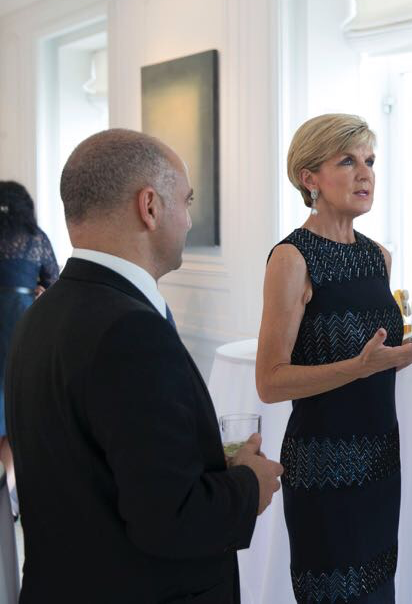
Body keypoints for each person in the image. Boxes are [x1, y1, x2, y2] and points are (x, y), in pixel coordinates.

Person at [4, 129, 282, 602]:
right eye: (186, 201)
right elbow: (169, 520)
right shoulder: (131, 331)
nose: (191, 220)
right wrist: (247, 485)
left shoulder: (41, 314)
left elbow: (96, 467)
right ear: (150, 207)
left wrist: (213, 466)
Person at [256, 113, 412, 603]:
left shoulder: (377, 257)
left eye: (370, 160)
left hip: (380, 461)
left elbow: (382, 358)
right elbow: (270, 381)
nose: (365, 174)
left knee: (379, 591)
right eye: (348, 160)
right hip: (323, 467)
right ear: (309, 178)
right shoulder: (291, 258)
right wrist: (356, 369)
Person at [0, 181, 58, 509]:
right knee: (12, 415)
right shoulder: (34, 239)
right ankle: (6, 494)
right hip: (17, 325)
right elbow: (54, 281)